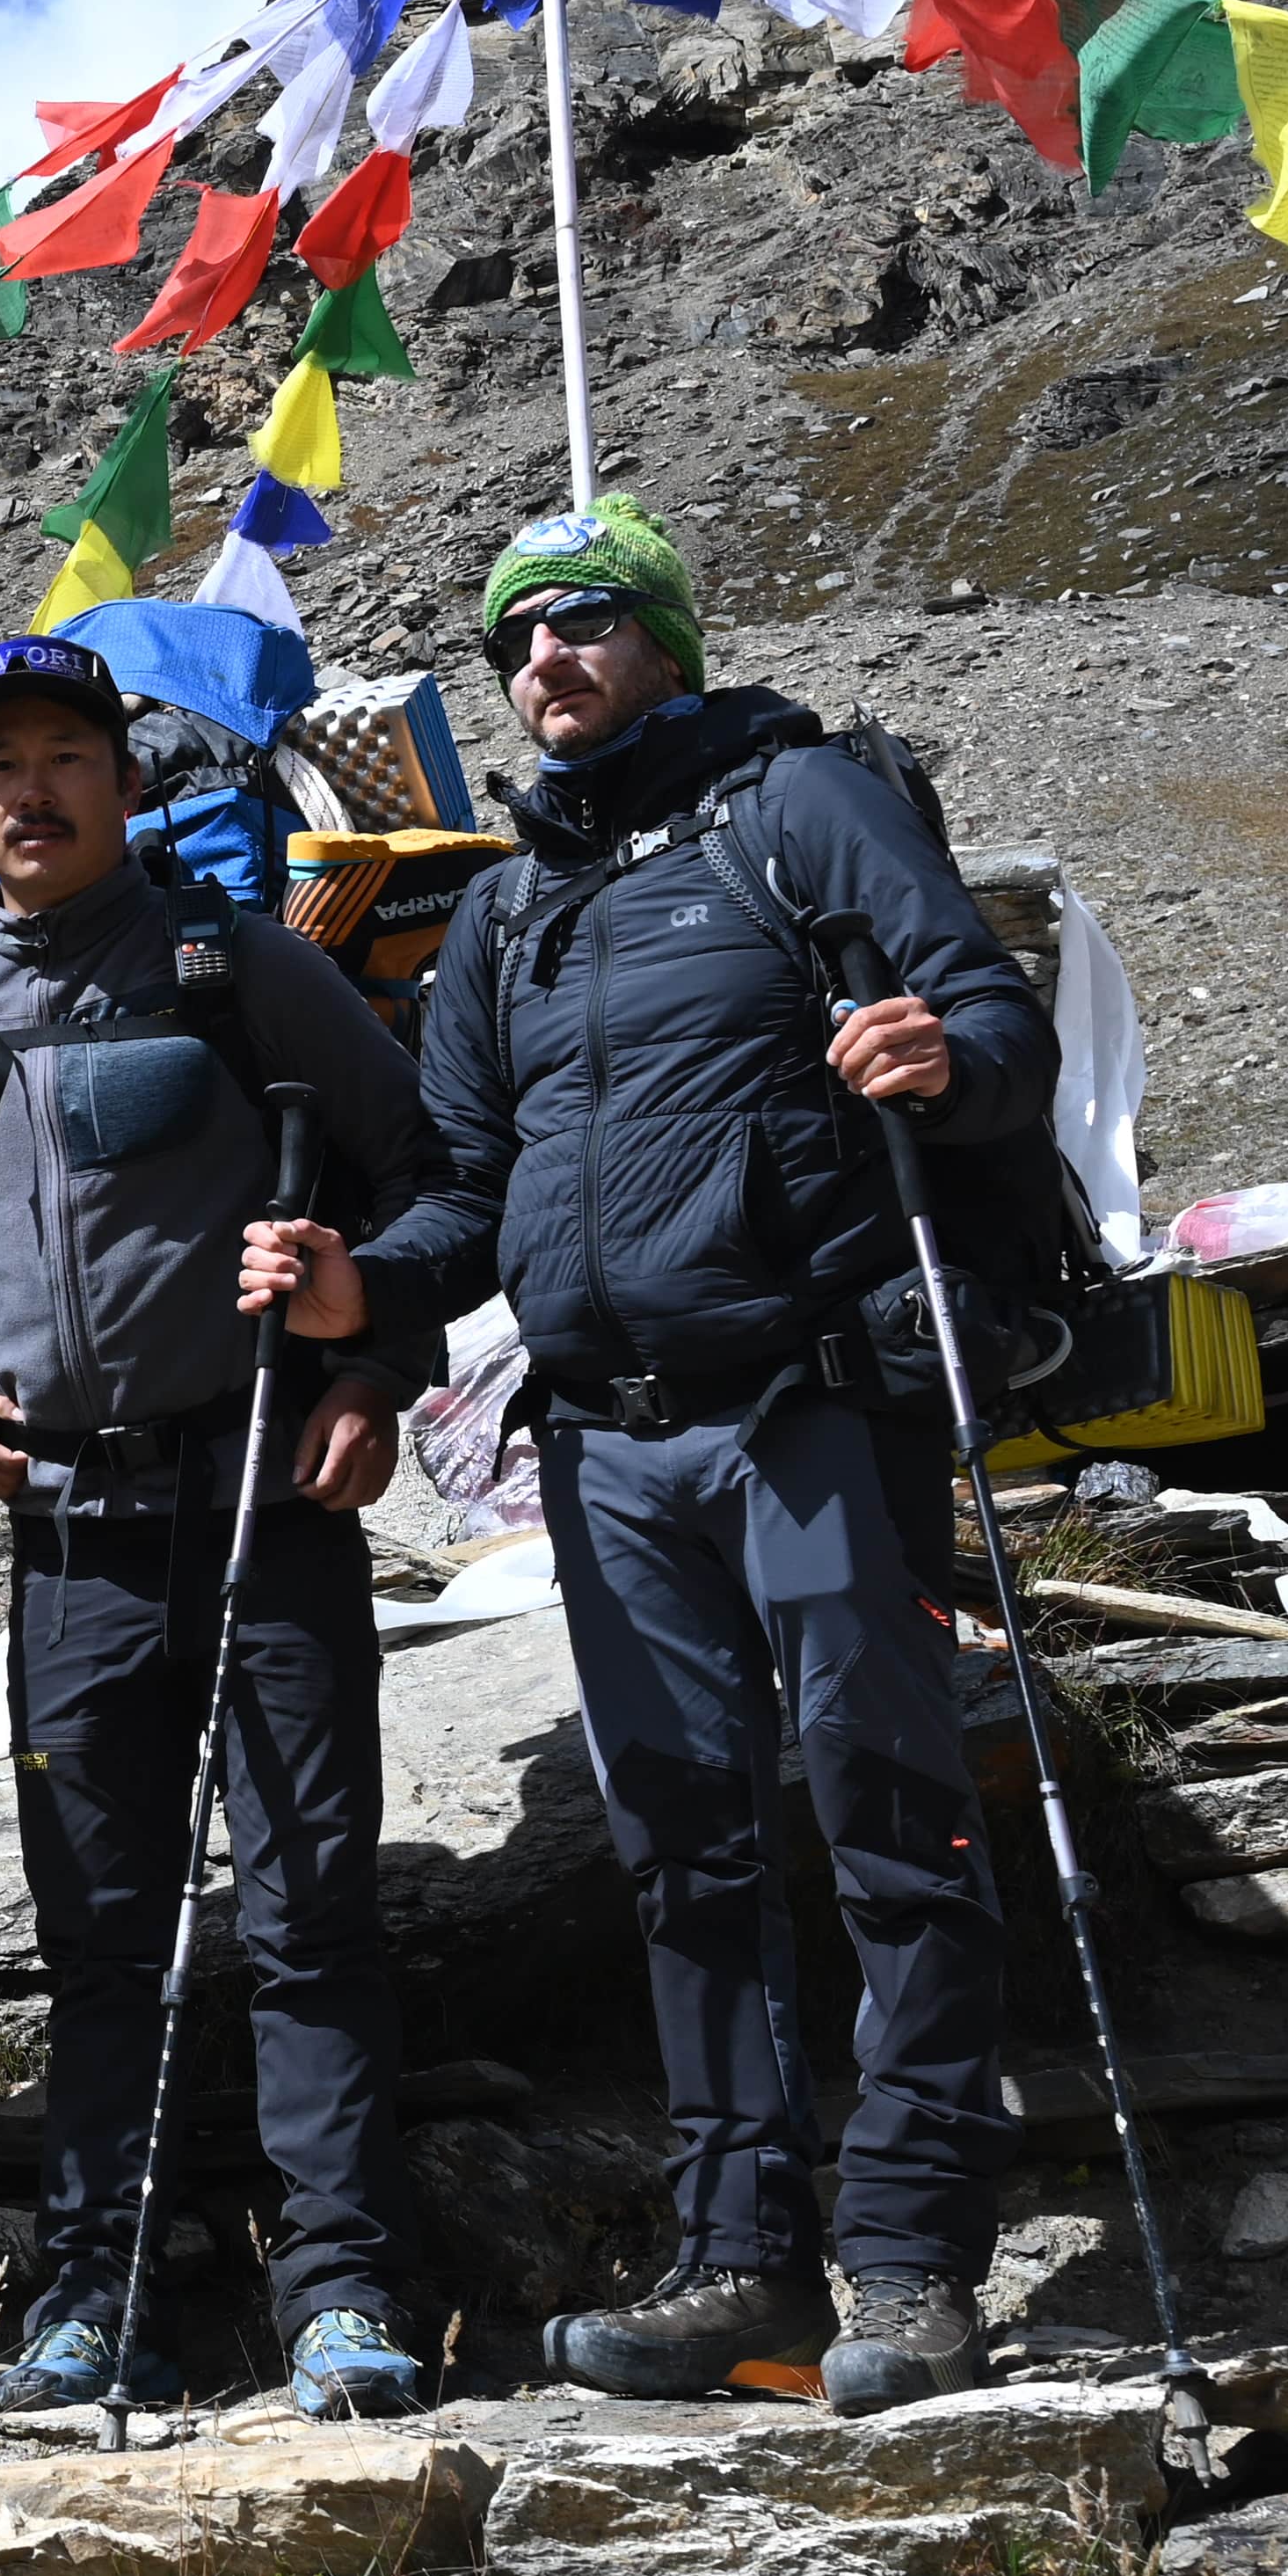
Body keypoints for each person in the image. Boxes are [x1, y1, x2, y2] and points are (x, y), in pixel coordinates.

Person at [280, 497, 1060, 2415]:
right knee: (686, 1856)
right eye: (515, 636)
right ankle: (740, 2262)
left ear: (670, 640)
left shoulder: (797, 806)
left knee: (887, 1816)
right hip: (610, 1451)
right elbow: (468, 1188)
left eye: (588, 619)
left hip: (807, 1403)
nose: (547, 656)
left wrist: (938, 1061)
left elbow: (992, 1011)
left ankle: (910, 2259)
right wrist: (352, 1294)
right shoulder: (510, 910)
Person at [0, 634, 450, 2423]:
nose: (32, 786)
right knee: (100, 1933)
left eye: (65, 751)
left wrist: (372, 1364)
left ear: (120, 775)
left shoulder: (241, 967)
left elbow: (424, 1174)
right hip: (71, 1530)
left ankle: (342, 2287)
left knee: (313, 1906)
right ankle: (101, 2290)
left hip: (263, 1498)